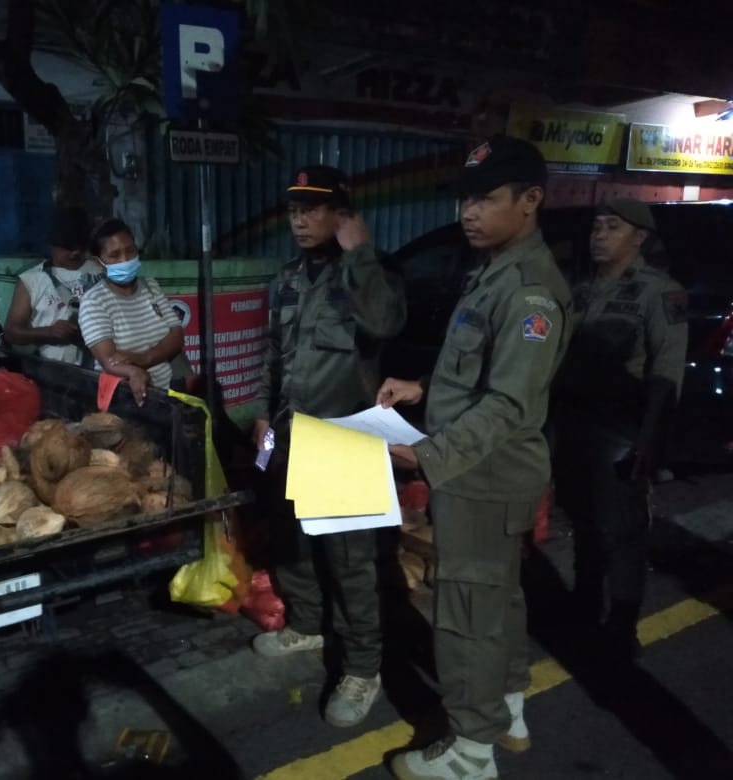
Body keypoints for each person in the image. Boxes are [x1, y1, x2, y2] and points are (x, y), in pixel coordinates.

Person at [378, 136, 572, 780]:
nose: (469, 211)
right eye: (466, 198)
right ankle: (508, 710)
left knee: (464, 613)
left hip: (482, 475)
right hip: (485, 472)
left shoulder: (529, 293)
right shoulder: (493, 268)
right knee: (498, 601)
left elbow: (510, 404)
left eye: (486, 198)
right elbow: (483, 374)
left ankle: (470, 751)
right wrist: (422, 390)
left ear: (530, 201)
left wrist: (429, 454)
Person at [250, 165, 406, 728]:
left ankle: (364, 668)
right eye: (294, 208)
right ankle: (309, 626)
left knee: (350, 563)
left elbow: (385, 322)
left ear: (343, 213)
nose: (299, 218)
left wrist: (360, 254)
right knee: (291, 541)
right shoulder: (288, 278)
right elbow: (275, 355)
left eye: (313, 208)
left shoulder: (372, 273)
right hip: (290, 434)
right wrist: (263, 415)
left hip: (344, 439)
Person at [552, 198, 688, 660]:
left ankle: (622, 624)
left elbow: (666, 375)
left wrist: (649, 443)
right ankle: (585, 607)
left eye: (612, 227)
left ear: (639, 237)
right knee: (583, 522)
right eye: (596, 226)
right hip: (576, 429)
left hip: (621, 431)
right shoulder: (583, 291)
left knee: (622, 532)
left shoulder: (659, 293)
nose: (599, 234)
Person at [79, 218, 185, 406]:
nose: (125, 260)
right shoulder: (94, 302)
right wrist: (135, 371)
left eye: (130, 251)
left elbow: (176, 337)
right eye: (114, 255)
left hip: (166, 393)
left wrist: (141, 359)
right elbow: (110, 362)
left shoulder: (151, 286)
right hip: (124, 401)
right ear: (99, 262)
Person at [4, 206, 102, 364]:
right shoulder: (32, 280)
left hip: (99, 370)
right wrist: (49, 332)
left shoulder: (100, 271)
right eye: (68, 247)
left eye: (80, 247)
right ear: (52, 245)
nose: (75, 253)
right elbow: (11, 332)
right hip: (54, 371)